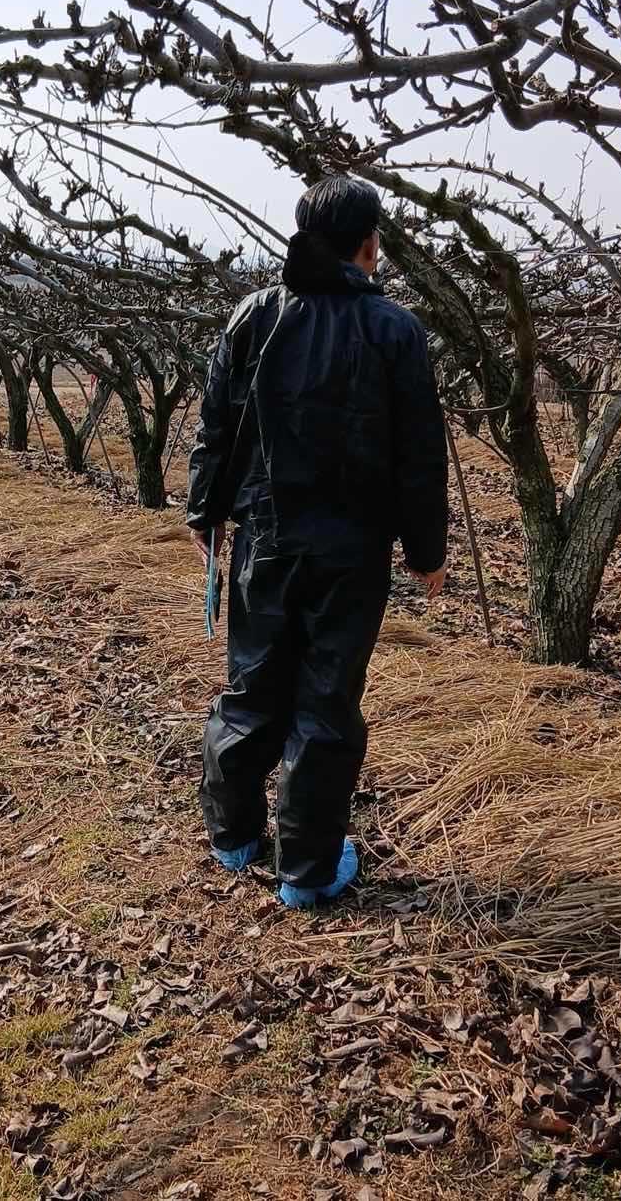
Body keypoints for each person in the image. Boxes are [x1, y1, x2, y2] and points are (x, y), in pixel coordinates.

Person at [186, 175, 449, 908]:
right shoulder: (395, 329)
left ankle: (232, 838)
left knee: (252, 687)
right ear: (368, 244)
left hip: (263, 539)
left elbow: (217, 426)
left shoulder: (253, 315)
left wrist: (205, 516)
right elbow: (417, 454)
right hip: (349, 548)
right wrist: (425, 550)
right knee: (325, 702)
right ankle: (306, 871)